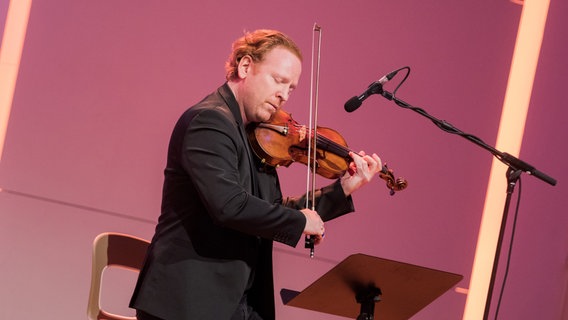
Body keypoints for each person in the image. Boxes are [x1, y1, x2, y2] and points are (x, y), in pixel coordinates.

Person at [129, 29, 382, 320]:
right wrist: (300, 221)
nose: (283, 95)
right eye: (279, 80)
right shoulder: (209, 121)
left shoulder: (256, 136)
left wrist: (345, 188)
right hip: (188, 302)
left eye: (291, 88)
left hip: (237, 303)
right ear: (245, 66)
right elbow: (230, 206)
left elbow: (270, 209)